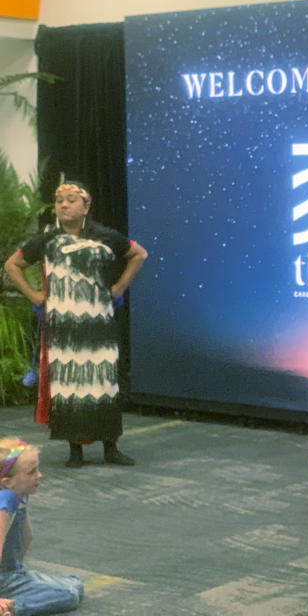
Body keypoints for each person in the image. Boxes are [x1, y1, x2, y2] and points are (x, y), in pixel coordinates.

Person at [4, 182, 148, 468]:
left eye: (70, 200)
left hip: (99, 322)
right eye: (59, 201)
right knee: (69, 383)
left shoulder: (105, 237)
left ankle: (111, 447)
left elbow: (139, 254)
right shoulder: (48, 240)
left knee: (103, 382)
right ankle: (76, 451)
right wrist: (33, 294)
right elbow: (12, 265)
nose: (63, 205)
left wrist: (119, 287)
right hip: (63, 326)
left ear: (86, 206)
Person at [0, 437, 84, 615]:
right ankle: (14, 607)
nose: (39, 475)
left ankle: (12, 592)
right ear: (7, 482)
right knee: (68, 594)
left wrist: (16, 570)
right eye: (31, 472)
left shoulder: (20, 494)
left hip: (11, 572)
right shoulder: (5, 501)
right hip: (4, 577)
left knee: (74, 581)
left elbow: (27, 536)